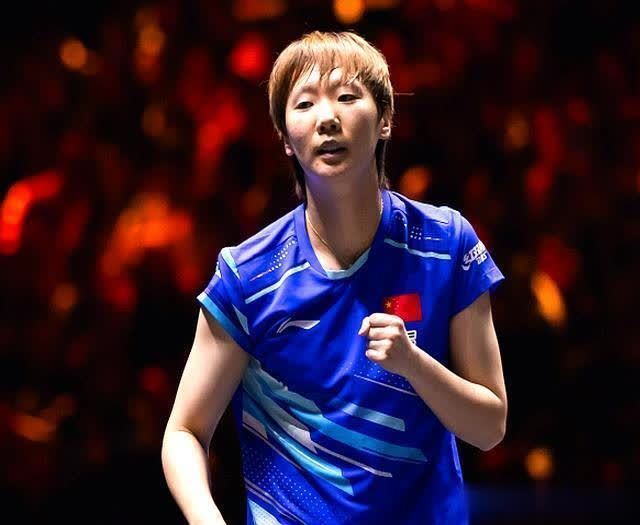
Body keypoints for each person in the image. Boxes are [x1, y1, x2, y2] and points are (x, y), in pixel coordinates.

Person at [162, 31, 507, 525]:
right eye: (304, 104)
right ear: (285, 138)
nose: (327, 118)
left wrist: (414, 364)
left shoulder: (444, 245)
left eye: (347, 96)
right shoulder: (249, 276)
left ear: (385, 119)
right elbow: (184, 433)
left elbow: (490, 426)